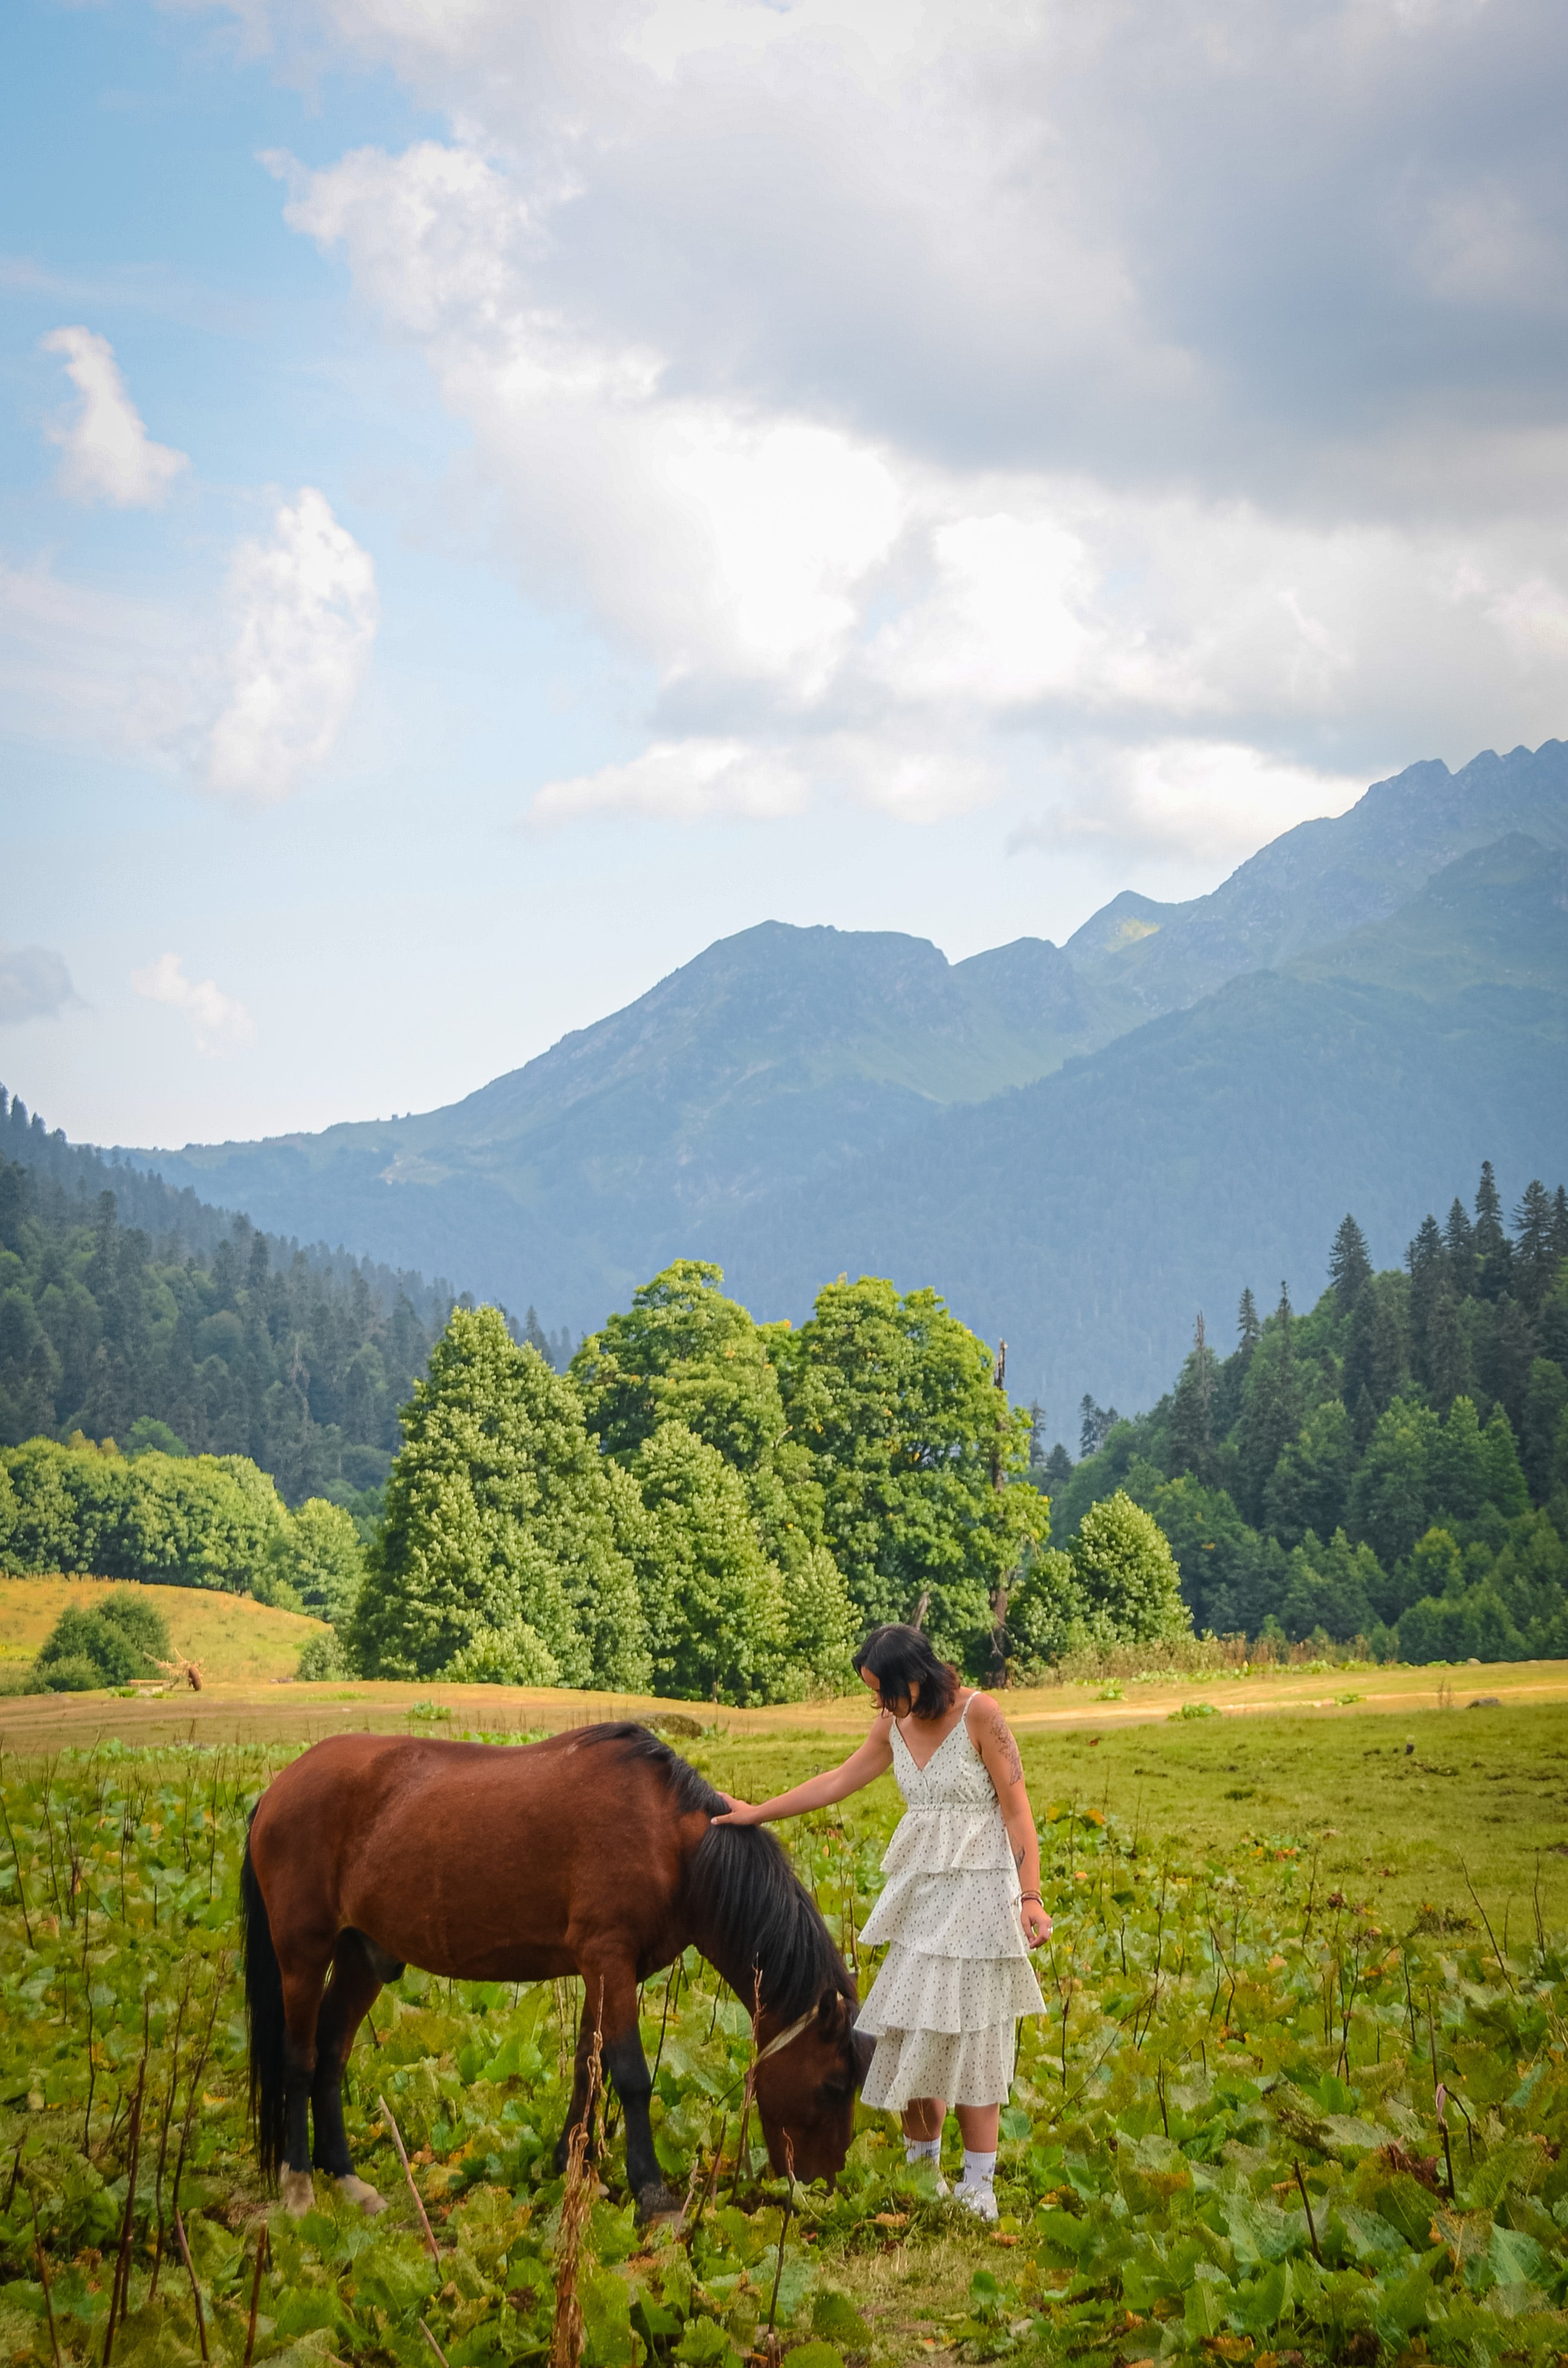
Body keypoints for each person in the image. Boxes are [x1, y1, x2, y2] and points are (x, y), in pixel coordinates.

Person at [712, 1622, 1049, 2220]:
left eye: (885, 1691)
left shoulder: (980, 1715)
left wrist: (1031, 1897)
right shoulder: (893, 1727)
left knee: (973, 2038)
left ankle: (979, 2186)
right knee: (912, 2032)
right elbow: (837, 1781)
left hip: (979, 1899)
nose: (882, 1704)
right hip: (921, 1903)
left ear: (916, 1676)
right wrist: (757, 1813)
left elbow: (1018, 1810)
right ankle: (924, 2173)